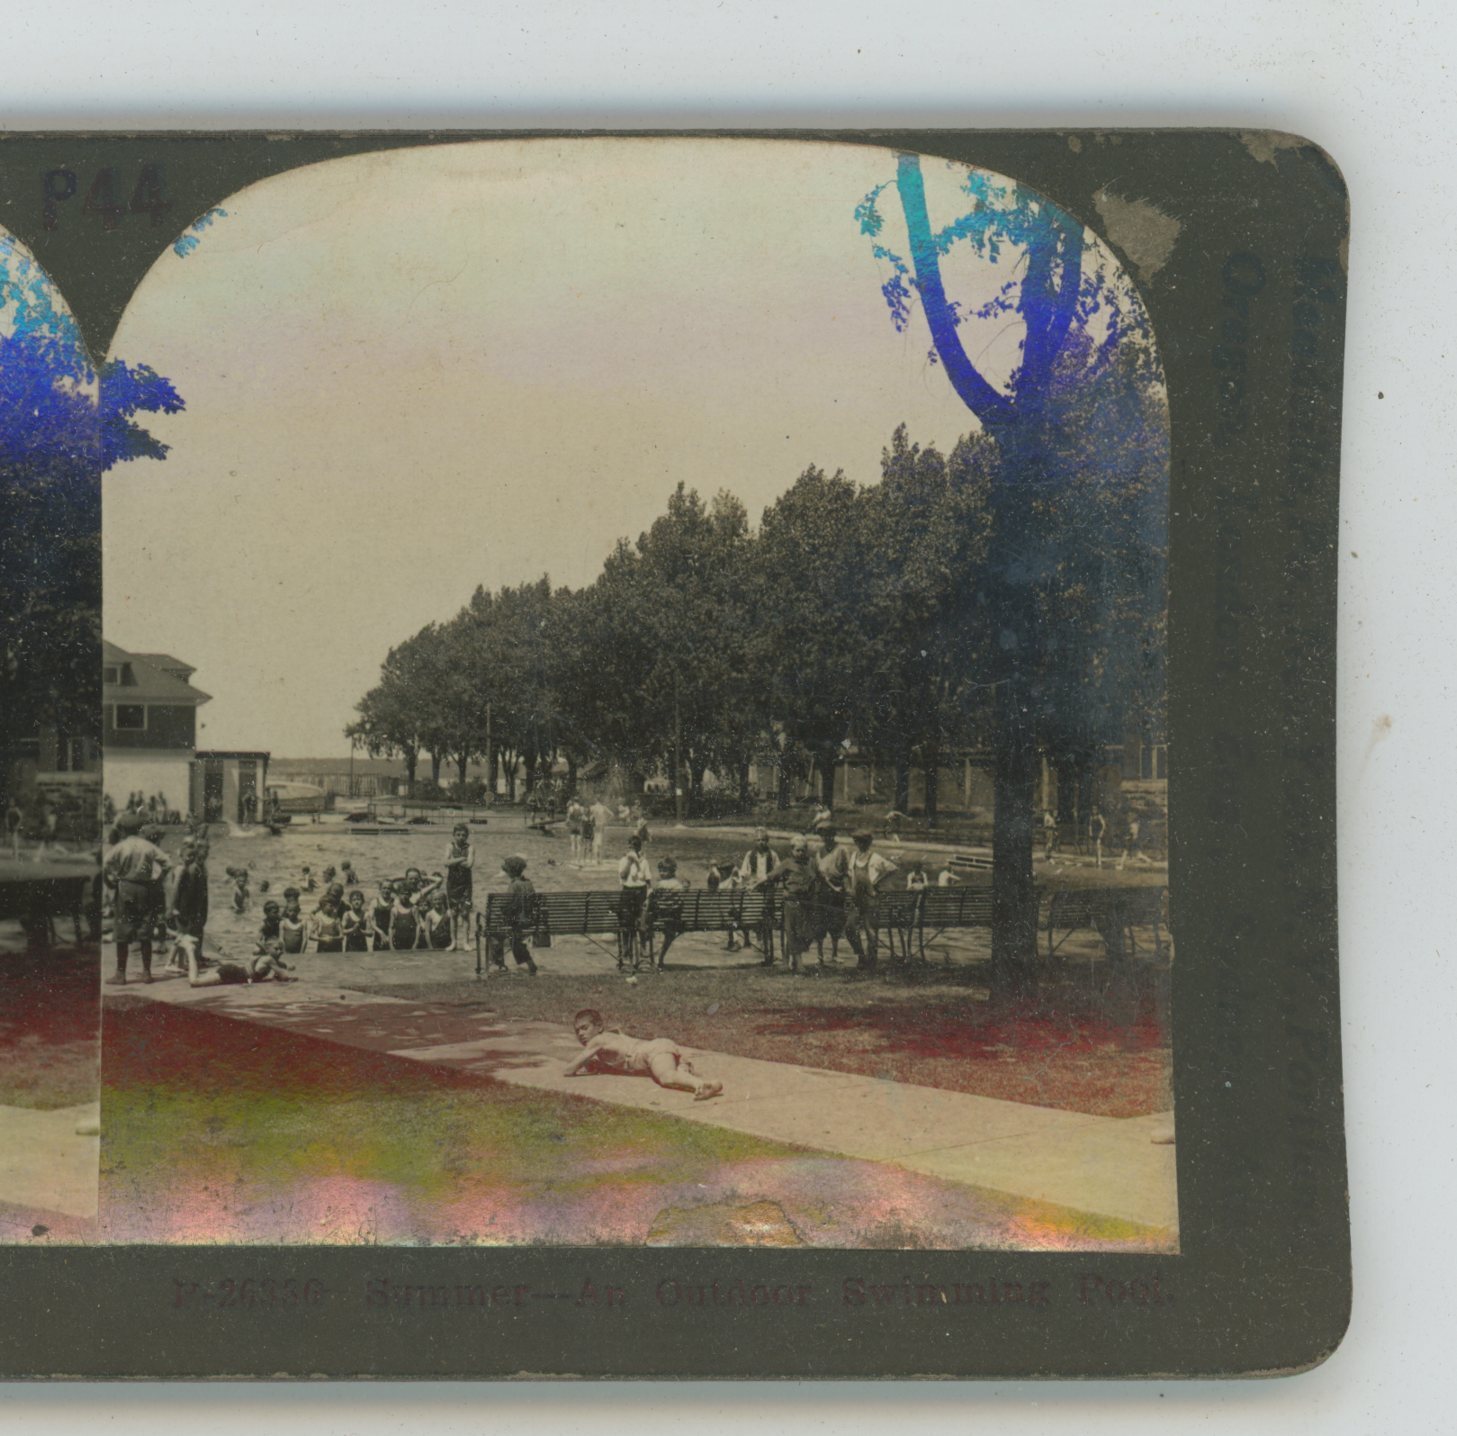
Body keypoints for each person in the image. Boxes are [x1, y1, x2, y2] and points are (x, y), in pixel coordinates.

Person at [565, 1009, 722, 1100]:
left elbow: (569, 1070)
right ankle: (705, 1085)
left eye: (584, 1028)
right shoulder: (609, 1037)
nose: (580, 1034)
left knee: (667, 1078)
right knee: (677, 1077)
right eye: (577, 1031)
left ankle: (701, 1085)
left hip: (651, 1052)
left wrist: (584, 1063)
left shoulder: (598, 1040)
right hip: (660, 1047)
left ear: (599, 1027)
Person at [102, 812, 172, 985]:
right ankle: (147, 972)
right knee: (145, 930)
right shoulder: (148, 846)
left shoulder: (121, 846)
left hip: (126, 886)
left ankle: (120, 974)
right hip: (146, 888)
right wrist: (159, 879)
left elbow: (105, 864)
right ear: (139, 829)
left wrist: (109, 883)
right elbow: (168, 863)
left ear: (124, 830)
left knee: (122, 931)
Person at [755, 835, 817, 972]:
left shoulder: (811, 862)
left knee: (808, 933)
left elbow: (818, 878)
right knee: (794, 932)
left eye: (803, 850)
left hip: (807, 903)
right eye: (797, 850)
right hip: (792, 903)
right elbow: (770, 876)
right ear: (792, 850)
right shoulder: (787, 863)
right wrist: (755, 885)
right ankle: (799, 964)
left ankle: (790, 961)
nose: (800, 853)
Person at [812, 820, 866, 968]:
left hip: (837, 891)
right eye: (823, 835)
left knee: (836, 923)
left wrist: (849, 888)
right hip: (822, 891)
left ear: (833, 835)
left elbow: (848, 872)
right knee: (820, 924)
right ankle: (820, 955)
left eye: (828, 834)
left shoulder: (841, 850)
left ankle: (835, 954)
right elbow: (817, 871)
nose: (826, 838)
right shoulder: (818, 851)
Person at [848, 828, 897, 964]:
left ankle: (871, 961)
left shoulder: (875, 858)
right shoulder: (854, 856)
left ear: (868, 843)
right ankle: (861, 956)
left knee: (871, 931)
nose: (860, 844)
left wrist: (877, 882)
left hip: (871, 898)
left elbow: (893, 868)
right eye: (857, 841)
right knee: (850, 928)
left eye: (863, 842)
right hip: (857, 899)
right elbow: (851, 874)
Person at [167, 837, 210, 971]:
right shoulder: (183, 869)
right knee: (182, 935)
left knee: (183, 935)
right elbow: (175, 889)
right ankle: (170, 963)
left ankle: (180, 962)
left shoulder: (192, 867)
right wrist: (172, 908)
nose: (190, 857)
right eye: (188, 855)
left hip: (187, 907)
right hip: (182, 908)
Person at [492, 854, 539, 975]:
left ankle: (500, 964)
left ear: (510, 872)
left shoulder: (513, 885)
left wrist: (499, 910)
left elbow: (509, 906)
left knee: (493, 932)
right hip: (530, 921)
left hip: (518, 922)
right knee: (514, 938)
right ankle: (529, 962)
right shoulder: (529, 883)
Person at [184, 939, 294, 988]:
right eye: (277, 949)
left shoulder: (267, 958)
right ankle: (190, 950)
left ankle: (187, 951)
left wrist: (285, 966)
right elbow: (284, 976)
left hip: (232, 971)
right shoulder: (269, 960)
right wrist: (285, 972)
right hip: (231, 973)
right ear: (268, 949)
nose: (280, 951)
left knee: (199, 978)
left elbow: (280, 966)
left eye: (281, 949)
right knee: (195, 982)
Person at [738, 828, 779, 954]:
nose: (761, 843)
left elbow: (777, 871)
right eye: (758, 840)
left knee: (765, 912)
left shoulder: (772, 854)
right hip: (754, 889)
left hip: (767, 889)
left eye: (763, 840)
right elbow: (744, 872)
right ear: (754, 841)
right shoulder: (750, 855)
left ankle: (762, 939)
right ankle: (755, 939)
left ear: (767, 841)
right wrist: (744, 878)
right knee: (752, 909)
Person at [616, 833, 652, 971]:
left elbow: (647, 880)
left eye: (635, 847)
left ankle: (643, 947)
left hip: (640, 892)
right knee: (626, 921)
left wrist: (638, 862)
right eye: (630, 846)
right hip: (628, 891)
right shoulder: (623, 861)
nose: (632, 849)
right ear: (628, 847)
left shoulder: (644, 861)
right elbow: (623, 876)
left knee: (641, 920)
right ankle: (626, 947)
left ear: (639, 848)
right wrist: (631, 862)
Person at [649, 858, 689, 968]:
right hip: (674, 917)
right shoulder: (678, 885)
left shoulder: (659, 885)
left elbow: (652, 899)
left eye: (664, 871)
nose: (661, 873)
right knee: (669, 935)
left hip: (661, 917)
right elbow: (681, 901)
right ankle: (660, 958)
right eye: (660, 870)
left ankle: (655, 957)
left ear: (671, 871)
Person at [444, 824, 475, 951]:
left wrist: (454, 860)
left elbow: (469, 865)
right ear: (454, 835)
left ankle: (466, 942)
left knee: (465, 913)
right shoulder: (449, 846)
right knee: (453, 914)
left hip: (466, 885)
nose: (461, 837)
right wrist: (462, 858)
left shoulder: (471, 847)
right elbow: (445, 862)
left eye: (463, 835)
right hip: (452, 885)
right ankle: (454, 942)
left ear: (467, 836)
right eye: (458, 834)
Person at [370, 882, 394, 951]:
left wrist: (390, 936)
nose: (386, 891)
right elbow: (371, 921)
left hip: (392, 934)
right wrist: (381, 932)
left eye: (389, 888)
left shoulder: (395, 902)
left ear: (392, 890)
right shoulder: (374, 902)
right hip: (378, 934)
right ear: (380, 889)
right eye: (384, 888)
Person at [589, 798, 612, 862]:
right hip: (602, 825)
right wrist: (606, 820)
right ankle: (600, 859)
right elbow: (612, 814)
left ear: (596, 801)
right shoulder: (603, 807)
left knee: (595, 841)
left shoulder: (593, 807)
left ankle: (596, 858)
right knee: (600, 841)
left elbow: (590, 817)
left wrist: (591, 821)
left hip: (595, 825)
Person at [565, 797, 585, 863]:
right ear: (579, 801)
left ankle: (573, 859)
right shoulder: (582, 808)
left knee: (573, 843)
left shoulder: (571, 808)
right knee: (579, 844)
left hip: (572, 826)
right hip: (579, 827)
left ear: (574, 801)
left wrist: (567, 823)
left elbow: (568, 819)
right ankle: (578, 859)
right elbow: (583, 818)